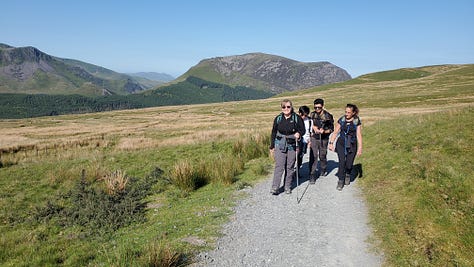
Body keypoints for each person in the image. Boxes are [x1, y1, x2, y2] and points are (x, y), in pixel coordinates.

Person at [269, 99, 306, 195]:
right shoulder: (278, 118)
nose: (286, 109)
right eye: (284, 107)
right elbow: (273, 132)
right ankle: (275, 187)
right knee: (279, 166)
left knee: (290, 166)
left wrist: (299, 134)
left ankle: (287, 186)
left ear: (291, 107)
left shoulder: (297, 118)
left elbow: (303, 130)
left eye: (288, 107)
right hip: (280, 143)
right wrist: (272, 146)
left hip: (292, 144)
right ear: (281, 108)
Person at [329, 103, 362, 191]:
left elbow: (358, 134)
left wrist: (360, 148)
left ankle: (348, 173)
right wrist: (331, 143)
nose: (346, 114)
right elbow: (336, 132)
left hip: (352, 144)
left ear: (353, 113)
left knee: (349, 163)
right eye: (345, 112)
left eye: (348, 112)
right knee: (342, 162)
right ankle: (340, 180)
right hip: (341, 143)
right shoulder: (342, 120)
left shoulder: (356, 121)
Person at [308, 98, 334, 184]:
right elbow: (308, 124)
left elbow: (331, 129)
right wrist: (313, 127)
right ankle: (312, 174)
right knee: (314, 155)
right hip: (314, 137)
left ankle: (323, 168)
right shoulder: (312, 115)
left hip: (324, 138)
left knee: (322, 155)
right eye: (315, 107)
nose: (317, 109)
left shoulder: (328, 116)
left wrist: (324, 131)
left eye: (319, 107)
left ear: (323, 106)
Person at [297, 105, 311, 170]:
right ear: (299, 113)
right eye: (302, 115)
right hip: (296, 141)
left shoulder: (309, 121)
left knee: (300, 156)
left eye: (305, 115)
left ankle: (297, 170)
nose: (303, 117)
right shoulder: (295, 120)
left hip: (304, 141)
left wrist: (309, 140)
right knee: (293, 158)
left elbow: (310, 131)